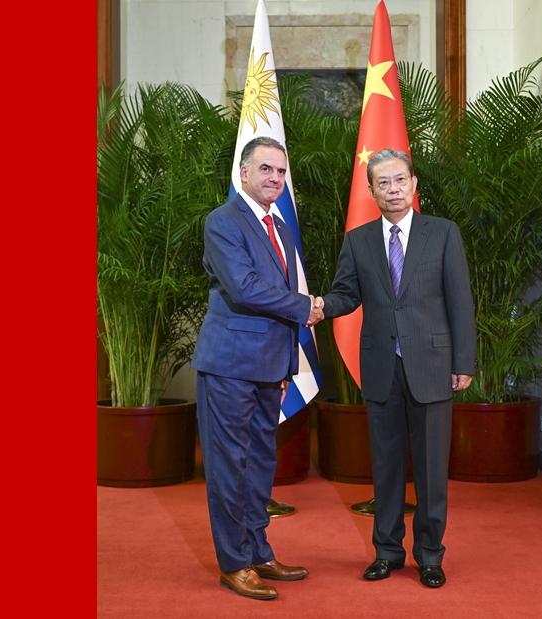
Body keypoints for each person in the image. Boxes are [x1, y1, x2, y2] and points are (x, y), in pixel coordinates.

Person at [319, 148, 476, 589]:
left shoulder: (442, 233)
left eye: (400, 180)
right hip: (380, 366)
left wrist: (463, 361)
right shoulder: (359, 240)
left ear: (413, 183)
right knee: (386, 467)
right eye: (383, 183)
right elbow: (345, 294)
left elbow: (460, 300)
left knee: (431, 469)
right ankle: (387, 552)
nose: (393, 189)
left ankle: (430, 556)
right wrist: (319, 306)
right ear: (371, 191)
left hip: (433, 366)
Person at [191, 136, 325, 600]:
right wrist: (306, 306)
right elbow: (244, 288)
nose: (275, 178)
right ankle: (234, 563)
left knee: (260, 463)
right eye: (266, 169)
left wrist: (288, 363)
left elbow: (277, 299)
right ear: (243, 173)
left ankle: (258, 551)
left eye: (281, 171)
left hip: (270, 366)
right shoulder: (223, 221)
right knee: (229, 465)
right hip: (230, 364)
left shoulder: (281, 228)